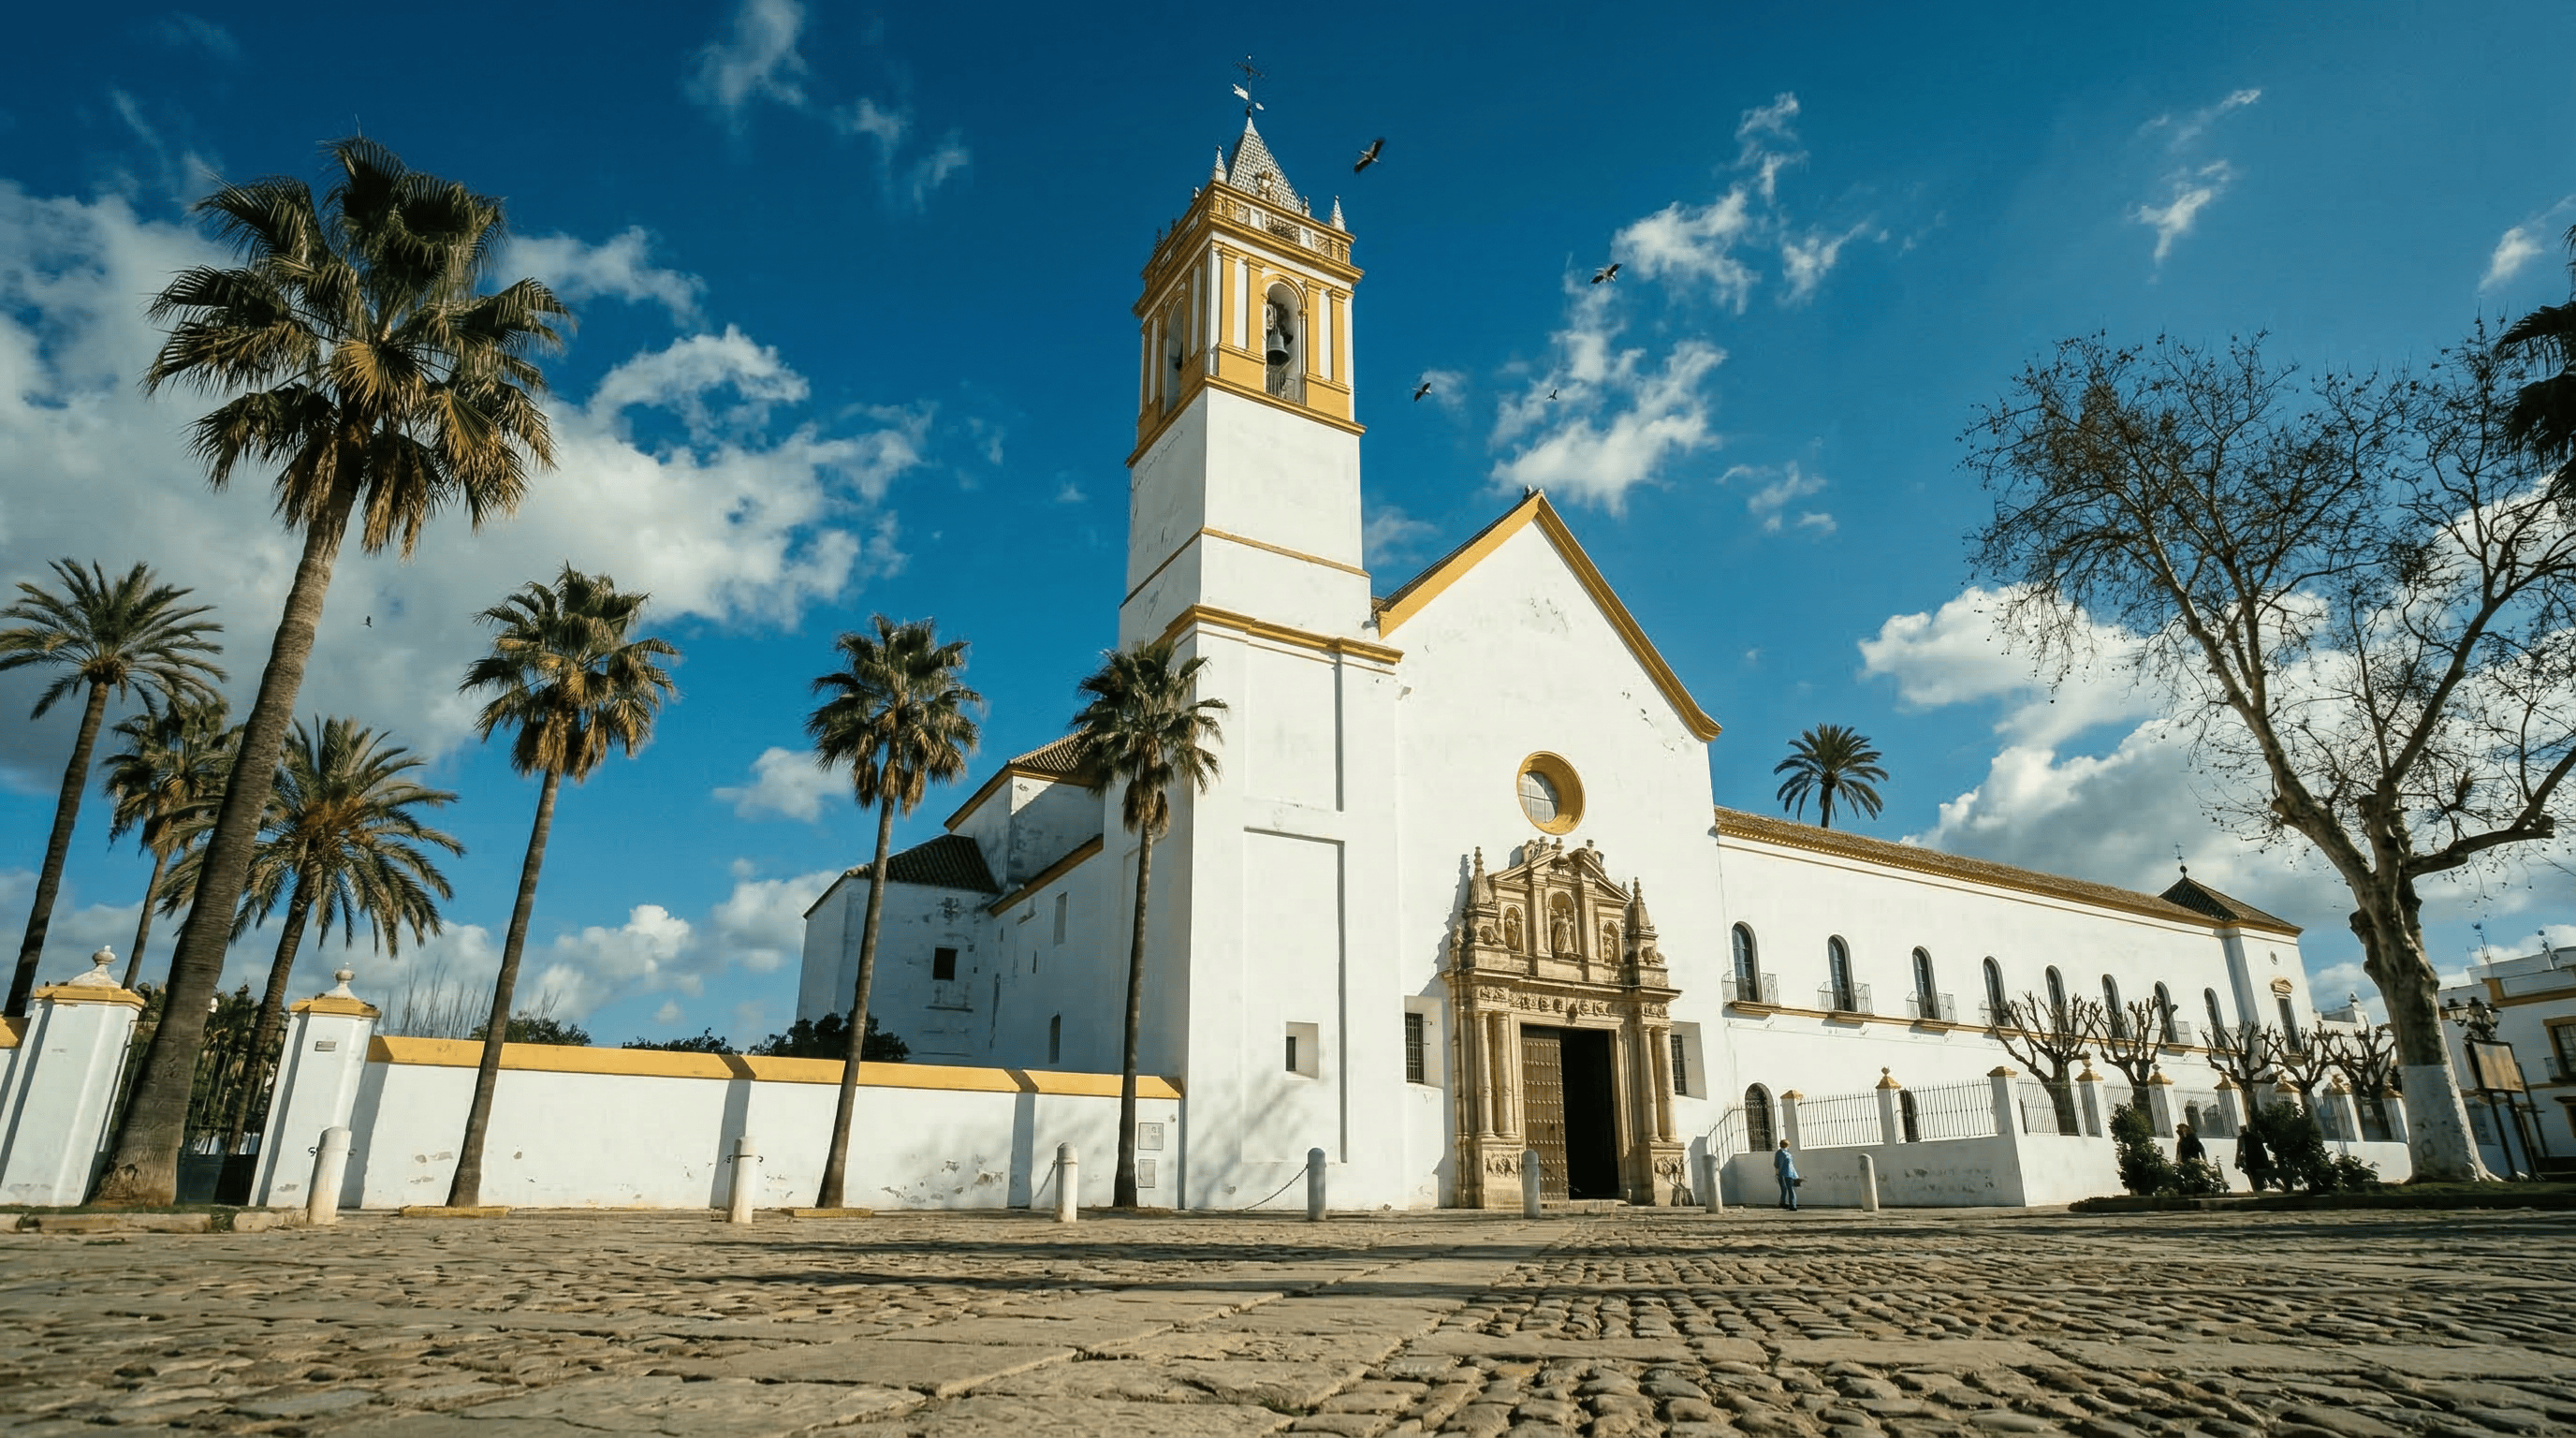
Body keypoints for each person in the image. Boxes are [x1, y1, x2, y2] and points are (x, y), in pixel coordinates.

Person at [2234, 1124, 2273, 1193]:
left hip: (2255, 1160)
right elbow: (2239, 1150)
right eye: (2241, 1130)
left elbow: (2261, 1150)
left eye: (2243, 1129)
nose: (2242, 1131)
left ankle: (2257, 1190)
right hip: (2249, 1160)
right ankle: (2256, 1191)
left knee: (2254, 1175)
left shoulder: (2252, 1138)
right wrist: (2237, 1160)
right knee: (2251, 1174)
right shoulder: (2241, 1138)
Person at [1773, 1138, 1800, 1211]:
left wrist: (1777, 1173)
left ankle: (1783, 1203)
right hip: (1790, 1174)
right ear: (1787, 1145)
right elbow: (1791, 1166)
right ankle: (1793, 1205)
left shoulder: (1779, 1153)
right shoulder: (1788, 1154)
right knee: (1791, 1189)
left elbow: (1777, 1164)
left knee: (1784, 1189)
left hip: (1782, 1174)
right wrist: (1795, 1175)